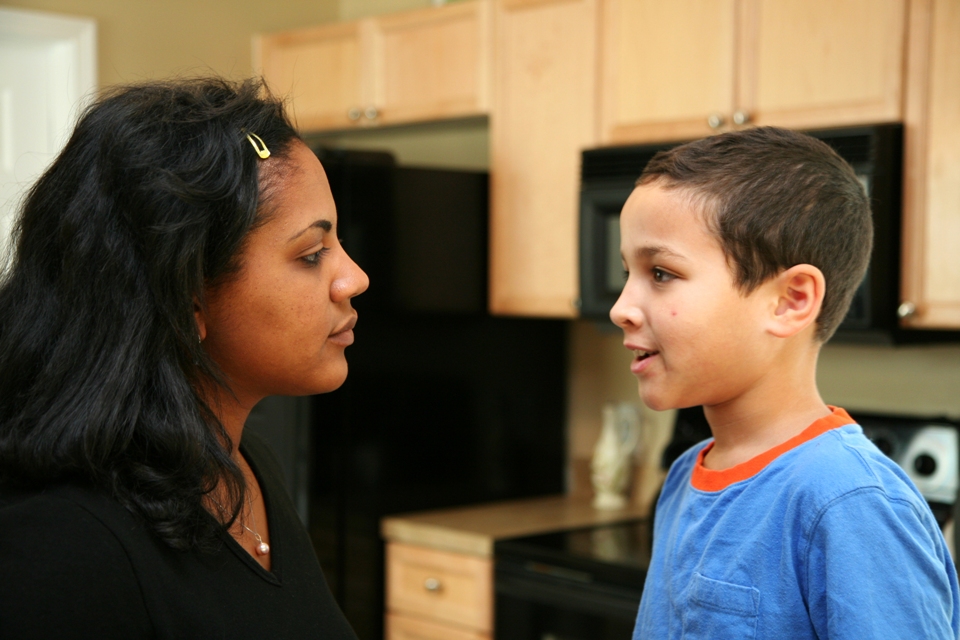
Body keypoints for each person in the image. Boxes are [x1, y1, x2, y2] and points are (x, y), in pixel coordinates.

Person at [0, 77, 368, 638]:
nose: (355, 278)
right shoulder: (63, 548)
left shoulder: (248, 467)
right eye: (312, 254)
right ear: (187, 296)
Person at [611, 127, 960, 638]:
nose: (621, 308)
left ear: (791, 300)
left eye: (661, 273)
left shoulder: (849, 502)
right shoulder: (687, 475)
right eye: (627, 272)